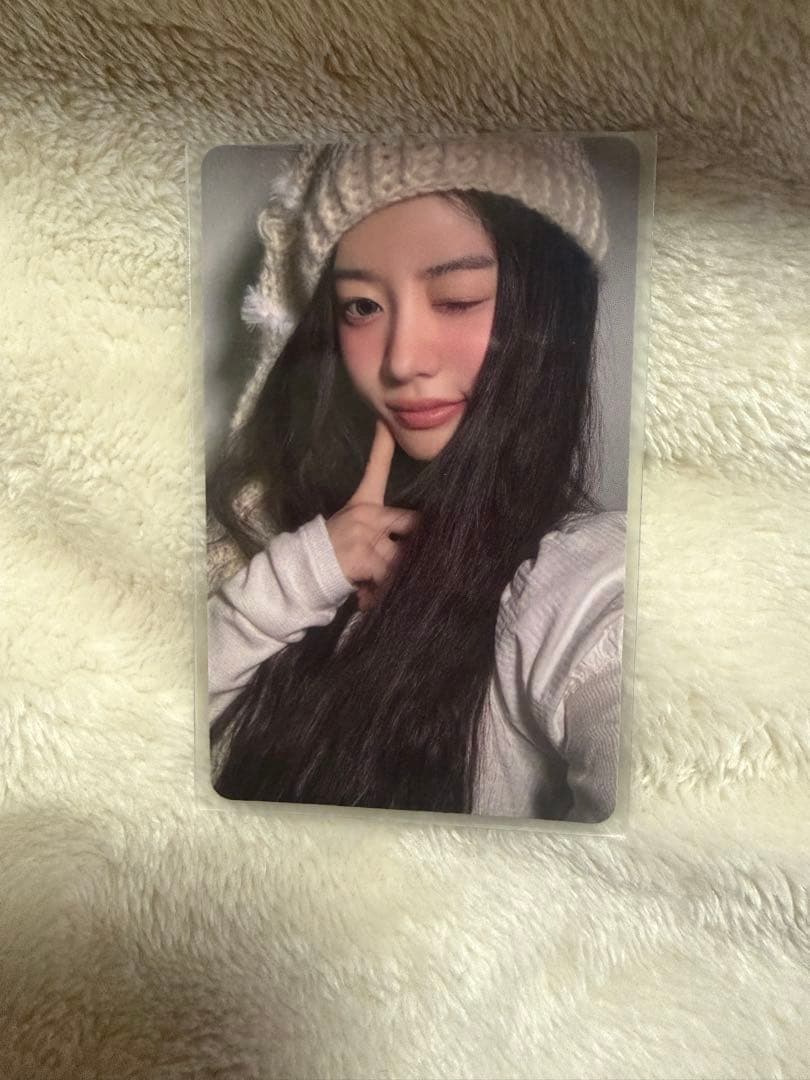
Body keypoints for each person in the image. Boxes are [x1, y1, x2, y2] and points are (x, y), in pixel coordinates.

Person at [205, 135, 626, 822]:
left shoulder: (588, 582)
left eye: (457, 298)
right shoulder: (281, 529)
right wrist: (301, 575)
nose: (401, 360)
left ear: (553, 311)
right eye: (362, 307)